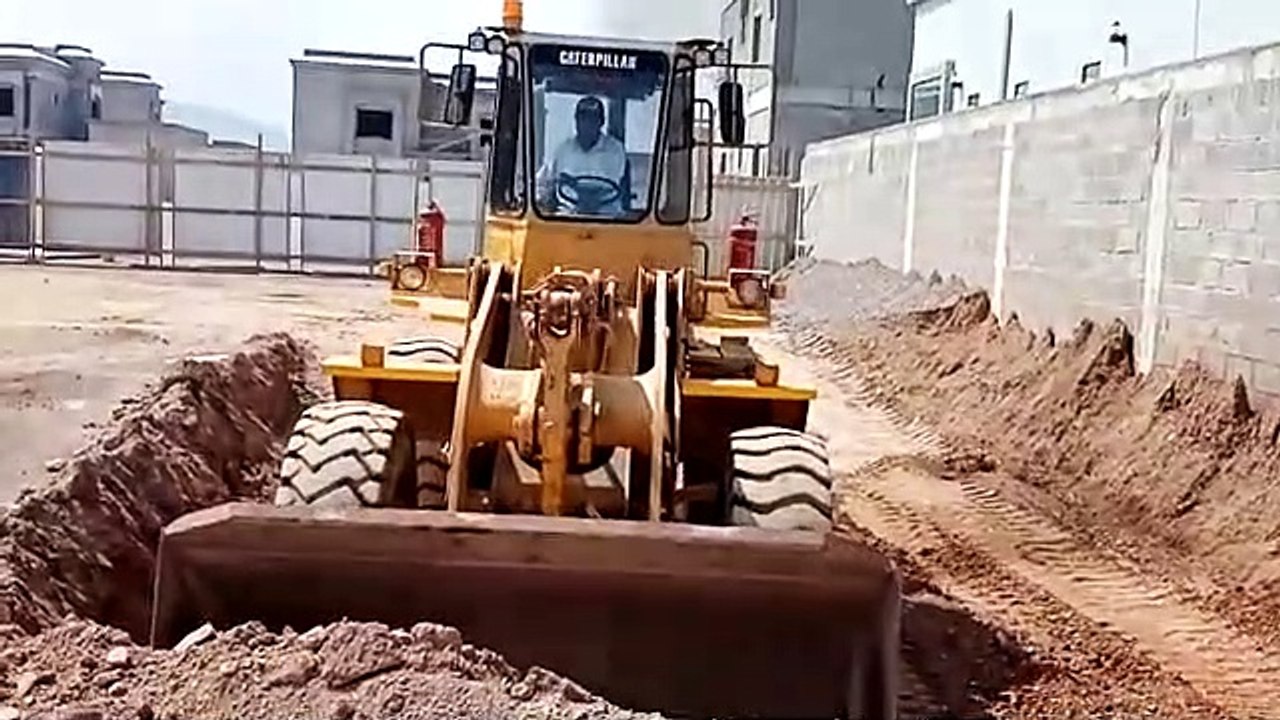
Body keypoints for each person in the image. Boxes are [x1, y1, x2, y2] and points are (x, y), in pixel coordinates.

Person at [537, 96, 631, 217]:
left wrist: (583, 192)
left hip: (607, 218)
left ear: (601, 122)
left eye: (592, 119)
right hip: (568, 217)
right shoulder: (562, 151)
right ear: (576, 120)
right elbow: (542, 185)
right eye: (583, 118)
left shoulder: (616, 151)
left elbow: (618, 186)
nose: (586, 124)